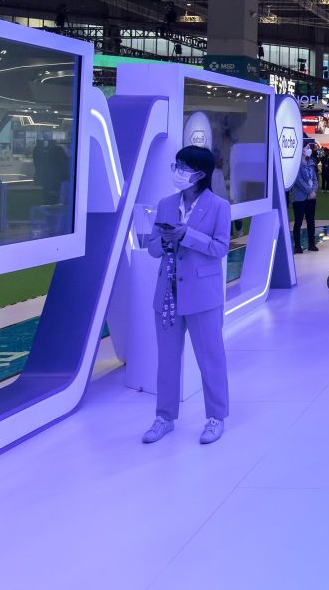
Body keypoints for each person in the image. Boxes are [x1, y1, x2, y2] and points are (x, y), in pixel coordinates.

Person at [141, 146, 231, 446]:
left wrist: (187, 236)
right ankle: (164, 417)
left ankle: (216, 416)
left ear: (199, 174)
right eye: (176, 165)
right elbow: (152, 247)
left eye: (182, 166)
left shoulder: (218, 206)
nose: (177, 171)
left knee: (210, 358)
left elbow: (220, 248)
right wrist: (165, 241)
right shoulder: (166, 204)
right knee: (166, 359)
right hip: (167, 292)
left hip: (203, 295)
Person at [288, 142, 319, 253]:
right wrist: (310, 191)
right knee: (299, 222)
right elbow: (298, 181)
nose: (309, 149)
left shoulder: (310, 162)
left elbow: (315, 178)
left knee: (311, 221)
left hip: (311, 198)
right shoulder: (295, 164)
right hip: (299, 198)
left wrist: (314, 191)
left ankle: (312, 244)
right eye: (307, 147)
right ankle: (297, 246)